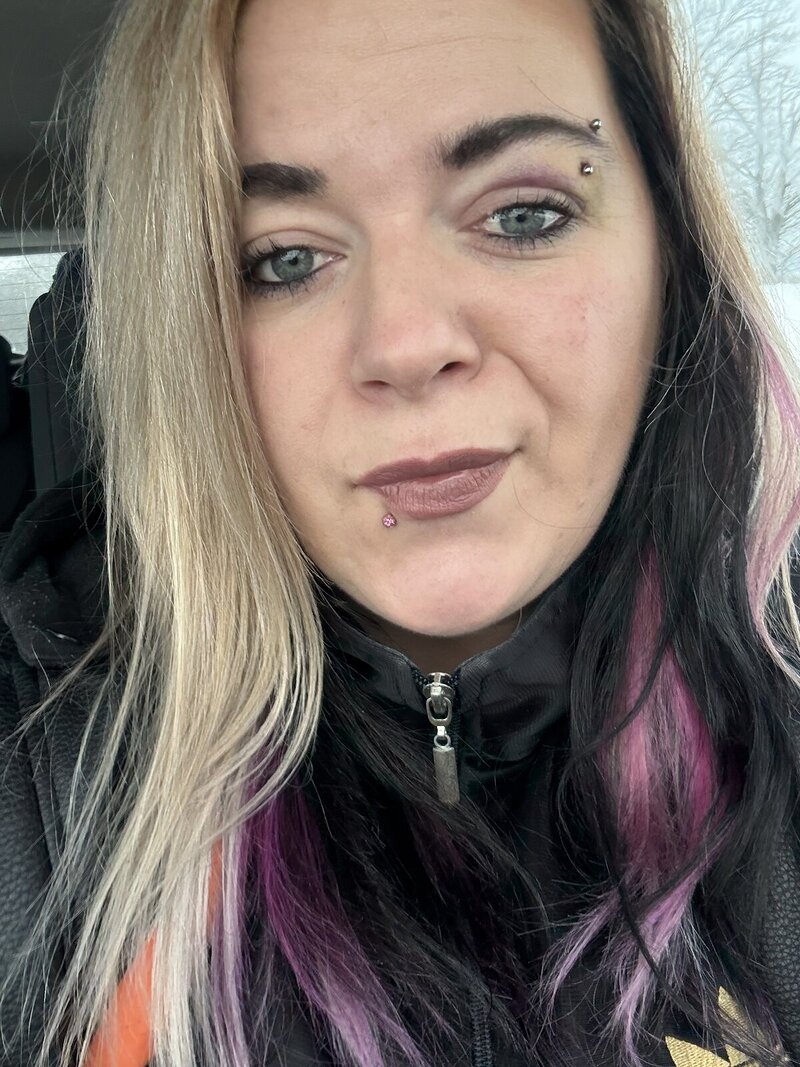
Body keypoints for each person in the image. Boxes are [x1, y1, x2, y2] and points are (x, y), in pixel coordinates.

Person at [1, 0, 799, 1064]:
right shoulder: (44, 769)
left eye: (523, 214)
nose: (407, 343)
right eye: (284, 259)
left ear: (670, 255)